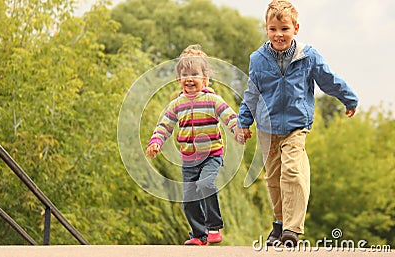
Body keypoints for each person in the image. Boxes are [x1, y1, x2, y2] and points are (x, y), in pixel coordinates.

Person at [235, 0, 358, 246]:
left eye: (284, 29)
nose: (278, 34)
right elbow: (252, 93)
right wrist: (243, 123)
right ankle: (279, 224)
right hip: (267, 128)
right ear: (266, 29)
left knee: (292, 171)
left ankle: (292, 229)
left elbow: (328, 80)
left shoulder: (308, 56)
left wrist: (349, 98)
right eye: (273, 29)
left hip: (296, 125)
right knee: (273, 178)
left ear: (296, 28)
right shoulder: (258, 59)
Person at [146, 44, 238, 246]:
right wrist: (156, 142)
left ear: (205, 78)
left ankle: (213, 227)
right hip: (189, 159)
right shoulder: (176, 104)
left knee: (205, 185)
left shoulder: (212, 100)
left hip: (211, 155)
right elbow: (165, 125)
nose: (189, 78)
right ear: (179, 79)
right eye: (185, 74)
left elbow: (229, 116)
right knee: (188, 200)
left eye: (194, 74)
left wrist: (238, 129)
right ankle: (198, 235)